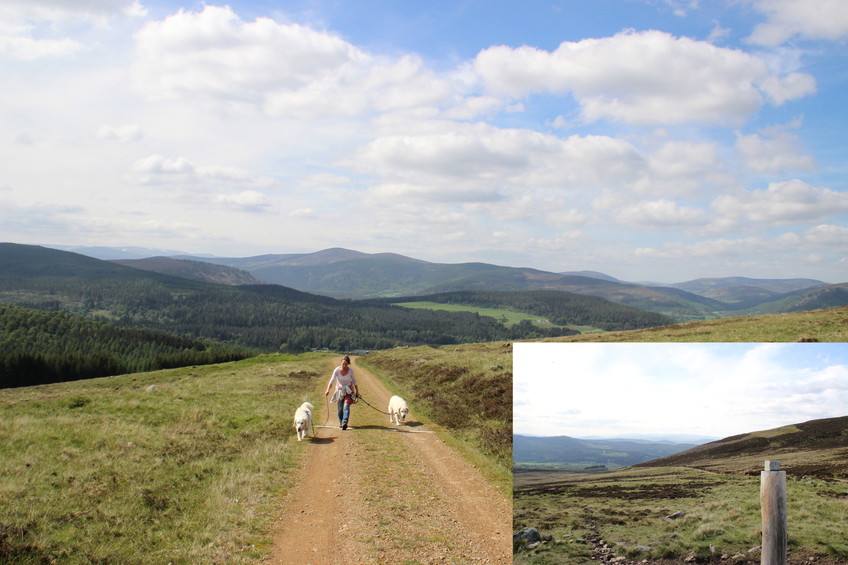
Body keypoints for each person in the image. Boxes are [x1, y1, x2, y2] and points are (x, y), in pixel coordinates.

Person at [324, 355, 359, 430]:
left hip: (348, 391)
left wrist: (357, 391)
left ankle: (344, 422)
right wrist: (328, 390)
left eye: (346, 364)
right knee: (340, 408)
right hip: (340, 390)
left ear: (348, 364)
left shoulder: (351, 371)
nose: (344, 365)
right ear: (341, 363)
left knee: (346, 406)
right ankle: (340, 421)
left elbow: (355, 381)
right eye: (343, 364)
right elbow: (332, 381)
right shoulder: (336, 370)